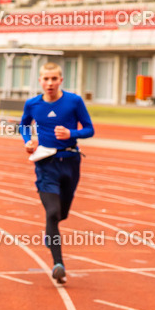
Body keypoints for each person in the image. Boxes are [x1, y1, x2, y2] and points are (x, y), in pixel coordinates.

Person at [20, 62, 94, 284]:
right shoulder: (32, 104)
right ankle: (58, 264)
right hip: (46, 164)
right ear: (40, 81)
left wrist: (71, 132)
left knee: (61, 214)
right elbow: (23, 125)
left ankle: (50, 236)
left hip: (70, 162)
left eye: (54, 79)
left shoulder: (74, 101)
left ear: (61, 80)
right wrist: (27, 141)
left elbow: (90, 129)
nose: (49, 83)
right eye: (46, 79)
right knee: (51, 213)